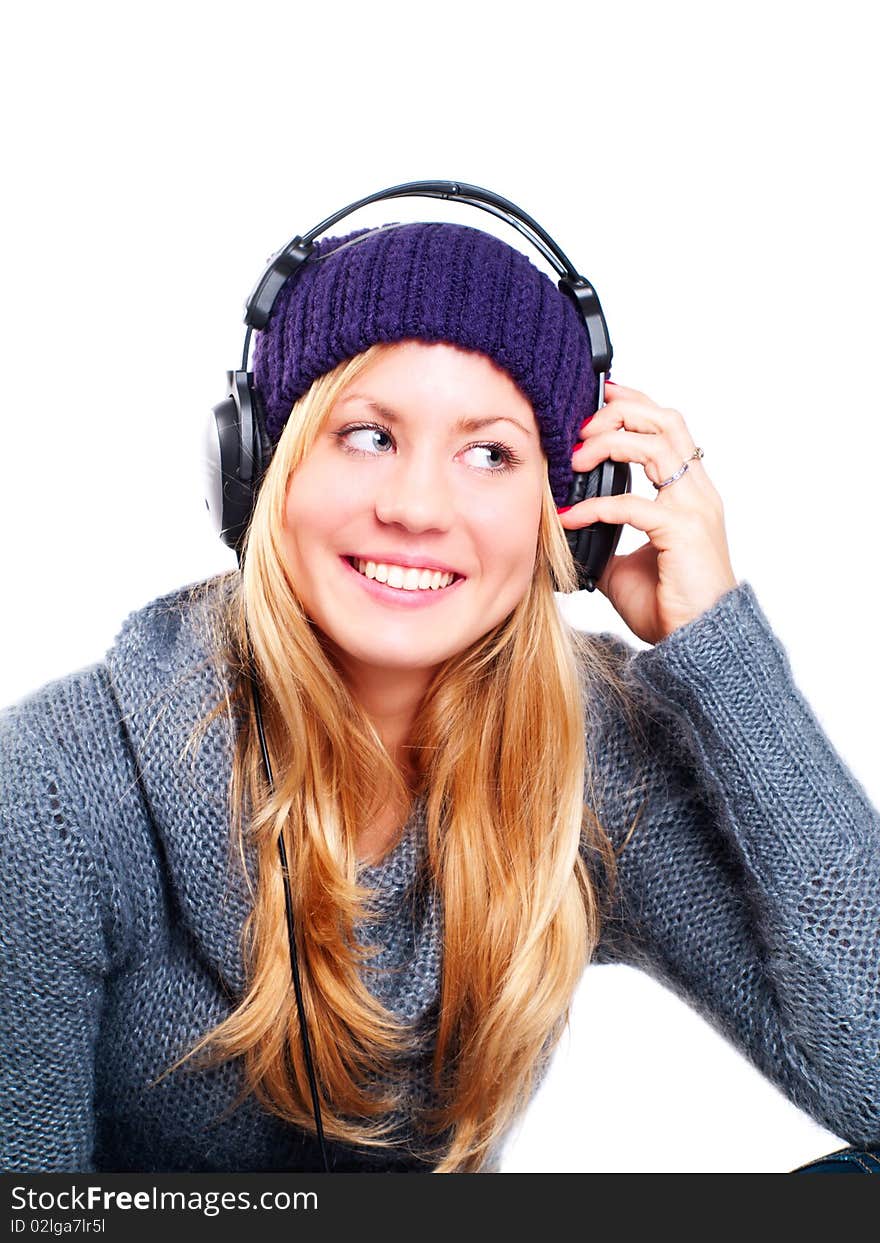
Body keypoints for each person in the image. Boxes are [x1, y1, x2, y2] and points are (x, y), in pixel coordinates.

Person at [1, 220, 878, 1175]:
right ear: (261, 469)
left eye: (491, 454)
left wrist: (722, 650)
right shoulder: (55, 790)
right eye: (369, 436)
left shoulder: (587, 755)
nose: (417, 507)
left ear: (565, 518)